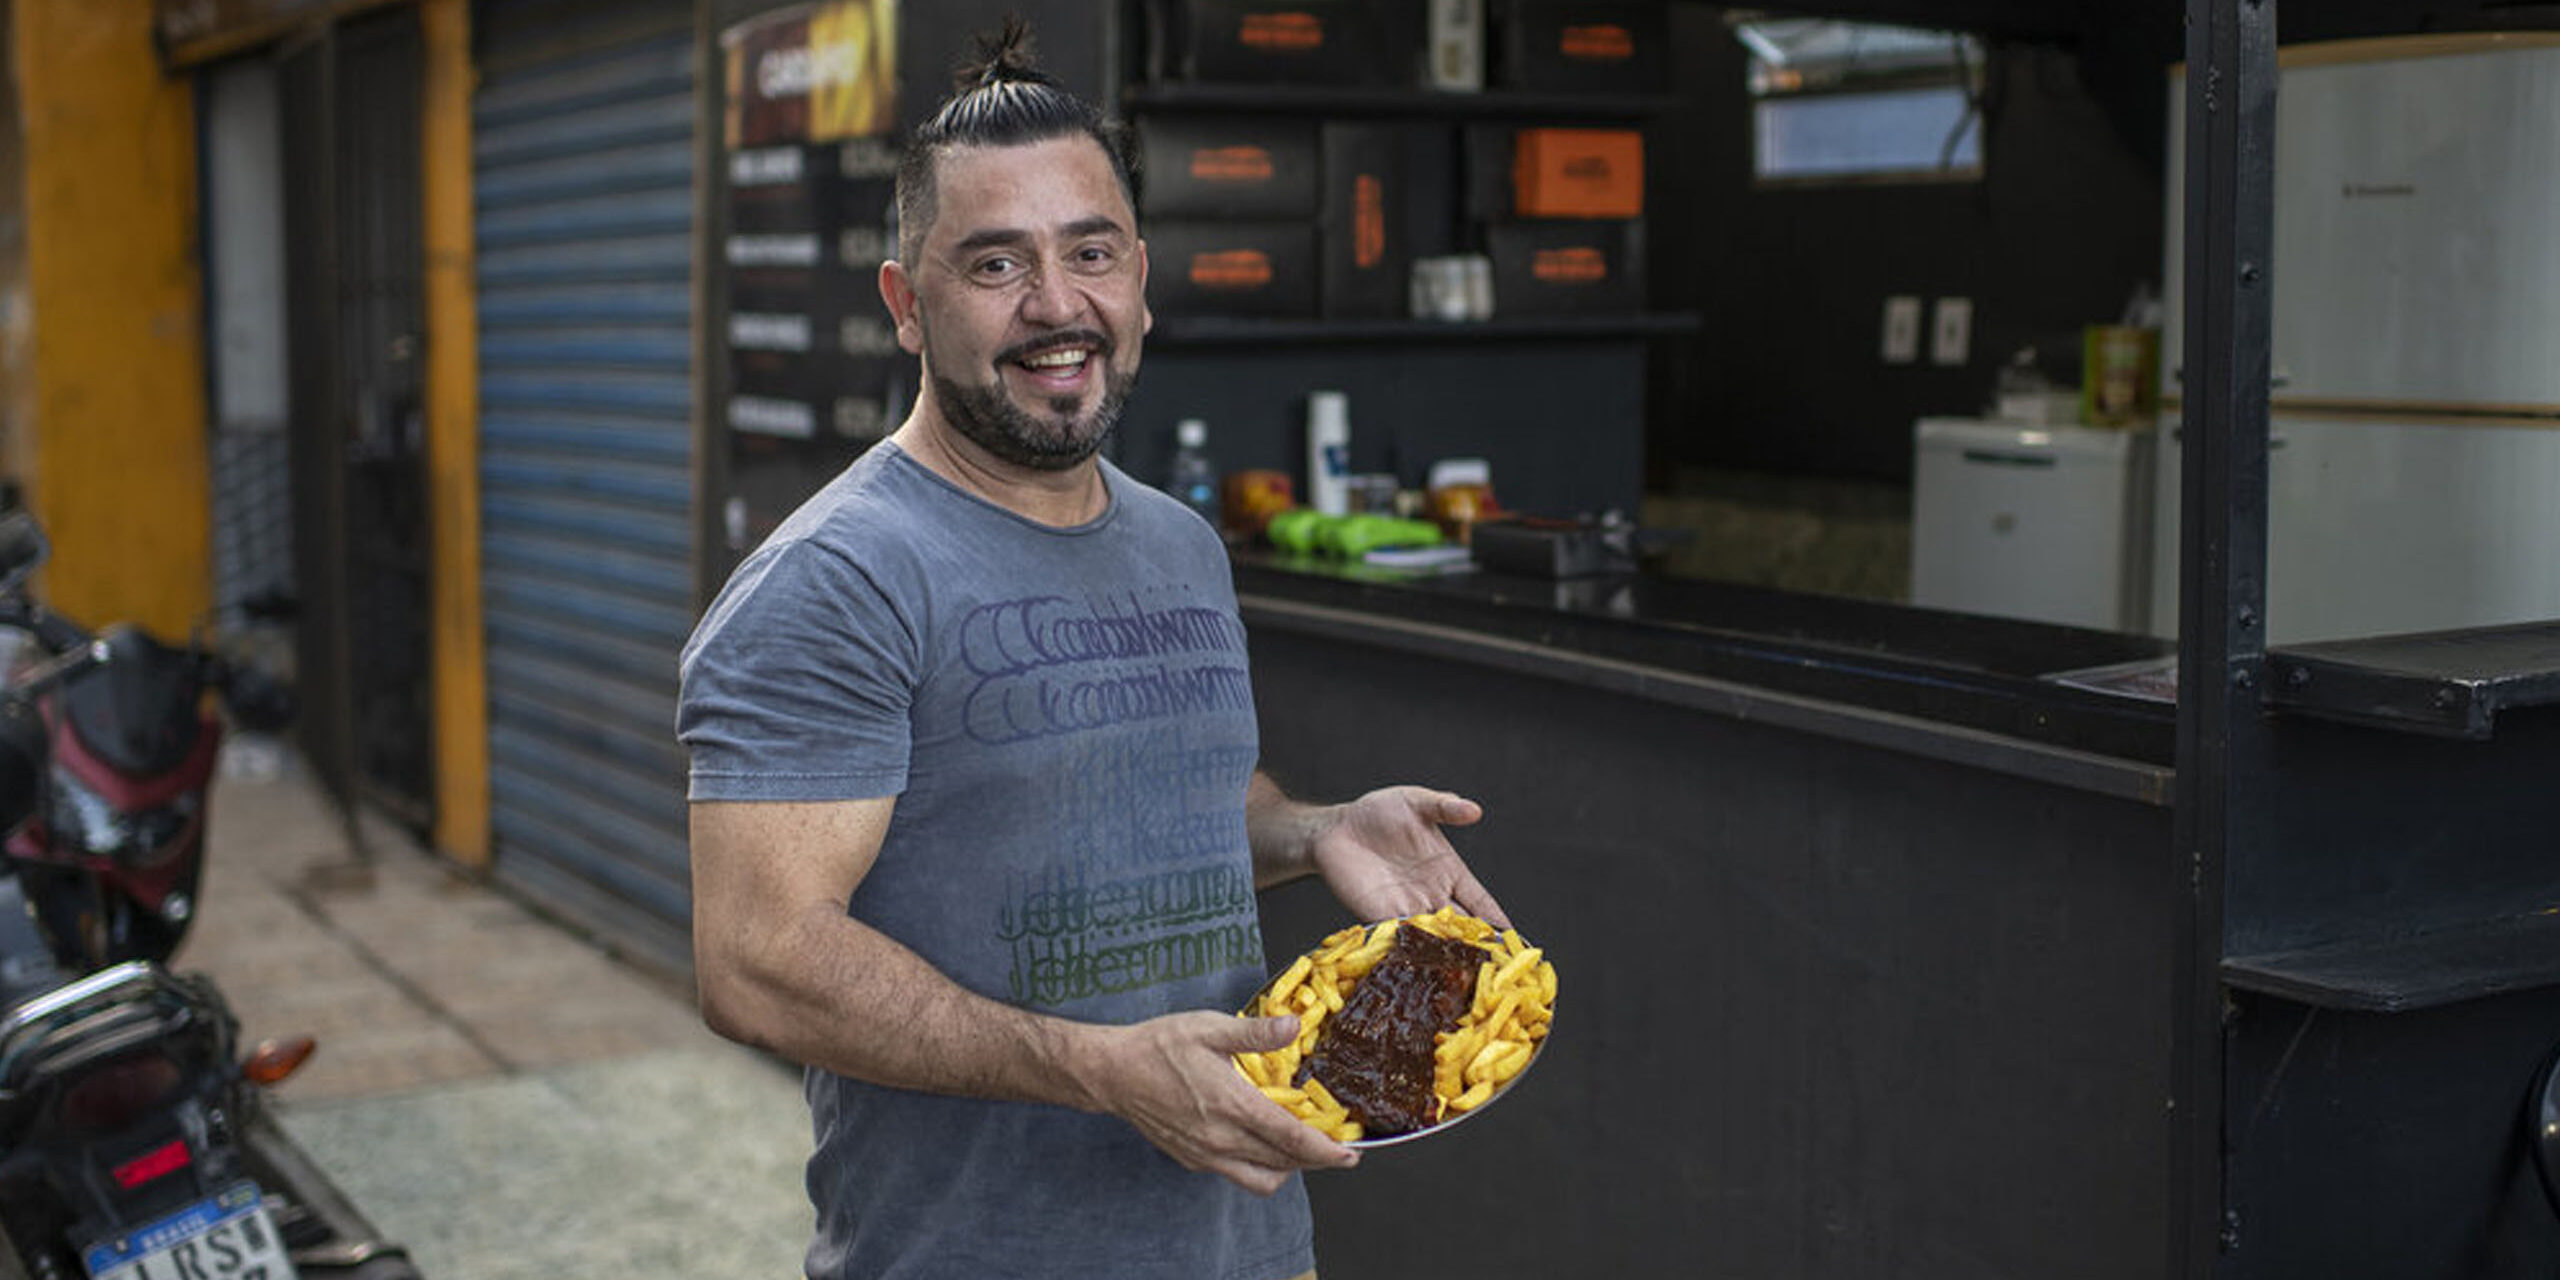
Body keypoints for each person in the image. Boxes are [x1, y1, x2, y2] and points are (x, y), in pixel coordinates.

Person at [675, 21, 1508, 1280]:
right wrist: (1098, 1073)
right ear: (907, 304)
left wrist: (1317, 826)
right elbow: (758, 962)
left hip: (1250, 1244)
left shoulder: (1179, 544)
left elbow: (1169, 809)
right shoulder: (837, 580)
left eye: (1090, 252)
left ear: (1140, 283)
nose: (1056, 305)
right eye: (995, 262)